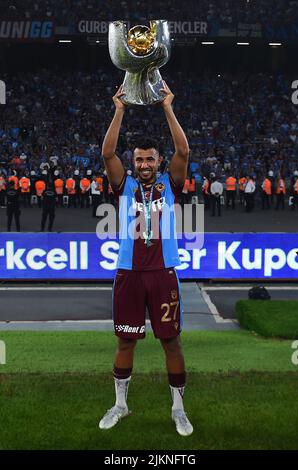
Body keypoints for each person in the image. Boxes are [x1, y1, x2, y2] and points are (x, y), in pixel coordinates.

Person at [98, 83, 193, 437]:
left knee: (171, 341)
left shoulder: (171, 182)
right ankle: (121, 405)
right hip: (129, 272)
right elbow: (108, 153)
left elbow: (183, 149)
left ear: (158, 161)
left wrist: (168, 105)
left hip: (163, 272)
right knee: (125, 341)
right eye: (139, 159)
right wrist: (119, 109)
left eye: (150, 158)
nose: (144, 164)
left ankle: (178, 409)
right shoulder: (123, 185)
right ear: (134, 161)